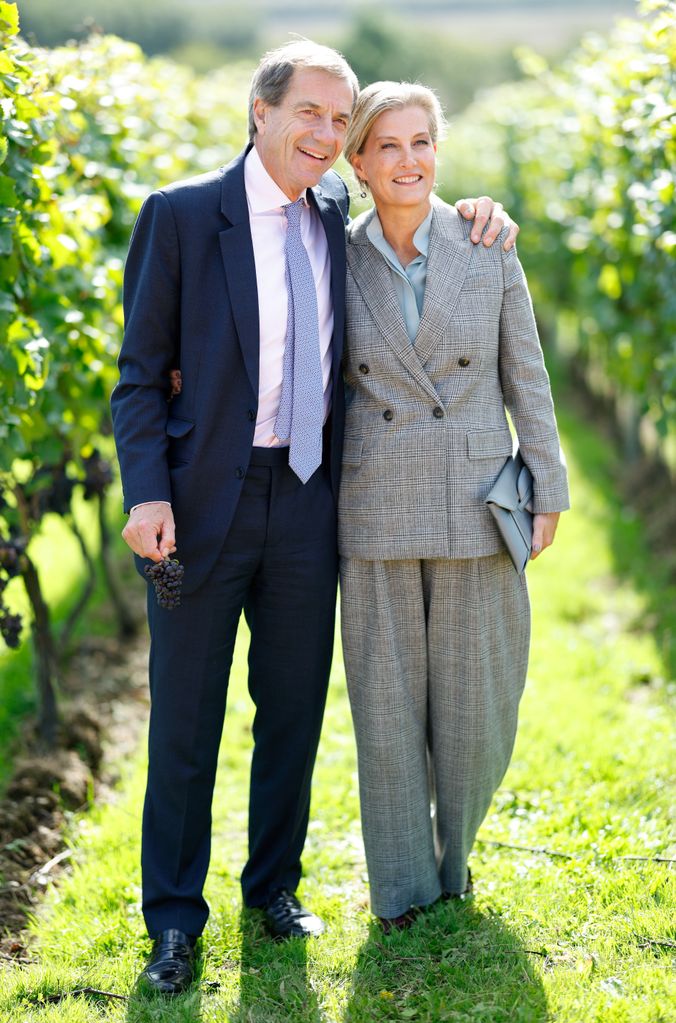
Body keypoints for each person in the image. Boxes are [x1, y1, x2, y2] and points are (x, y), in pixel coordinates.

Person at [111, 42, 516, 995]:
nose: (329, 137)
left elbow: (418, 217)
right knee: (185, 721)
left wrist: (481, 213)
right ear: (261, 112)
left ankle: (272, 892)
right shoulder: (178, 217)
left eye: (342, 122)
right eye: (313, 115)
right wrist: (147, 493)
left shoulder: (337, 211)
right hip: (200, 504)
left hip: (308, 499)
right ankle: (172, 919)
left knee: (290, 712)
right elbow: (138, 377)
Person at [339, 82, 570, 932]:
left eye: (422, 142)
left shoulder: (485, 244)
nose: (408, 160)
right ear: (357, 162)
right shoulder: (334, 249)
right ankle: (402, 889)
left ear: (439, 150)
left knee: (478, 707)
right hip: (375, 501)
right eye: (387, 145)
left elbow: (528, 375)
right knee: (387, 710)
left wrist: (549, 483)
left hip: (479, 497)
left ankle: (456, 857)